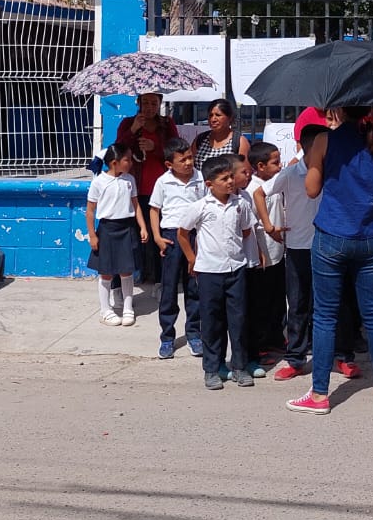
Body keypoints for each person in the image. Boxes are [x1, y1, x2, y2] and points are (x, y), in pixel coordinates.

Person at [288, 107, 373, 414]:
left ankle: (320, 394)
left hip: (331, 236)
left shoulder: (325, 140)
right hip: (369, 237)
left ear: (337, 109)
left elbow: (311, 190)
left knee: (325, 316)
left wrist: (317, 162)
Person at [273, 108, 357, 384]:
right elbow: (260, 191)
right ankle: (296, 357)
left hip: (331, 244)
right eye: (314, 145)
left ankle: (343, 356)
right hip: (298, 247)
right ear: (303, 146)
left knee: (338, 303)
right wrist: (270, 225)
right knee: (297, 304)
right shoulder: (290, 173)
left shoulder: (337, 169)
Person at [177, 154, 262, 391]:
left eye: (230, 177)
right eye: (224, 179)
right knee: (212, 321)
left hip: (236, 269)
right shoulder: (200, 207)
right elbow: (183, 233)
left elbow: (246, 232)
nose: (230, 182)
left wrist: (245, 259)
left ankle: (239, 366)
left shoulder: (241, 204)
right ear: (209, 184)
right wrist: (192, 258)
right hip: (209, 272)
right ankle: (212, 369)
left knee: (238, 319)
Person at [114, 92, 179, 286]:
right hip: (135, 187)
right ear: (138, 103)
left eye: (154, 103)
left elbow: (176, 150)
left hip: (160, 189)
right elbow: (117, 149)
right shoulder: (128, 123)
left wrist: (155, 146)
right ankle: (136, 274)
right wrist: (133, 130)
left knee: (158, 233)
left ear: (160, 103)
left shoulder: (167, 124)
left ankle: (159, 277)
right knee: (136, 235)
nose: (149, 107)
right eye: (145, 103)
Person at [148, 136, 204, 359]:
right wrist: (158, 238)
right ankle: (167, 337)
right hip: (171, 237)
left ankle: (194, 334)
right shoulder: (163, 182)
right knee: (169, 289)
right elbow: (154, 210)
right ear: (169, 164)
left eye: (190, 157)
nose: (188, 163)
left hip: (194, 237)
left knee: (194, 288)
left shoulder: (200, 178)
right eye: (183, 160)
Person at [87, 142, 151, 327]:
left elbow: (136, 205)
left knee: (127, 270)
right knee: (106, 272)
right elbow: (90, 211)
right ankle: (105, 310)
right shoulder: (99, 182)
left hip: (127, 228)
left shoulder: (129, 180)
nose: (130, 162)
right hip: (107, 229)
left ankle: (128, 308)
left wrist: (142, 227)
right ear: (114, 162)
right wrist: (92, 235)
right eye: (127, 159)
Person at [244, 141, 287, 376]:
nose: (279, 165)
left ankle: (275, 337)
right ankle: (260, 345)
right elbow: (252, 224)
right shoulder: (254, 189)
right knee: (261, 301)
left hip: (278, 251)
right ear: (260, 166)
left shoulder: (274, 184)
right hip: (263, 251)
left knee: (276, 297)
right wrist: (259, 250)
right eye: (275, 162)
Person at [191, 98, 251, 174]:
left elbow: (246, 172)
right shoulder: (200, 139)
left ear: (229, 118)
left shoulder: (239, 142)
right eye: (210, 115)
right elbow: (190, 165)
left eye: (218, 115)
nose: (213, 119)